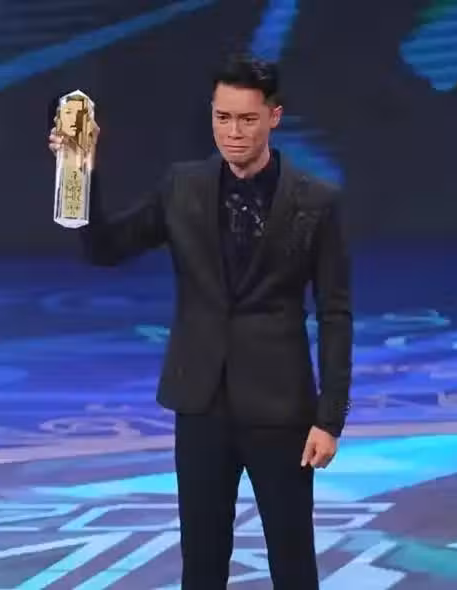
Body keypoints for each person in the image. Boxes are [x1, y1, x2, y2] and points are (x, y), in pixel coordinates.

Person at [49, 54, 353, 589]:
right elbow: (106, 248)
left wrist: (329, 419)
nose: (233, 132)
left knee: (292, 561)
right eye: (222, 117)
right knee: (202, 562)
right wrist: (80, 171)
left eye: (247, 119)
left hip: (280, 407)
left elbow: (335, 312)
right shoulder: (182, 187)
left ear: (274, 117)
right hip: (201, 404)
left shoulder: (315, 200)